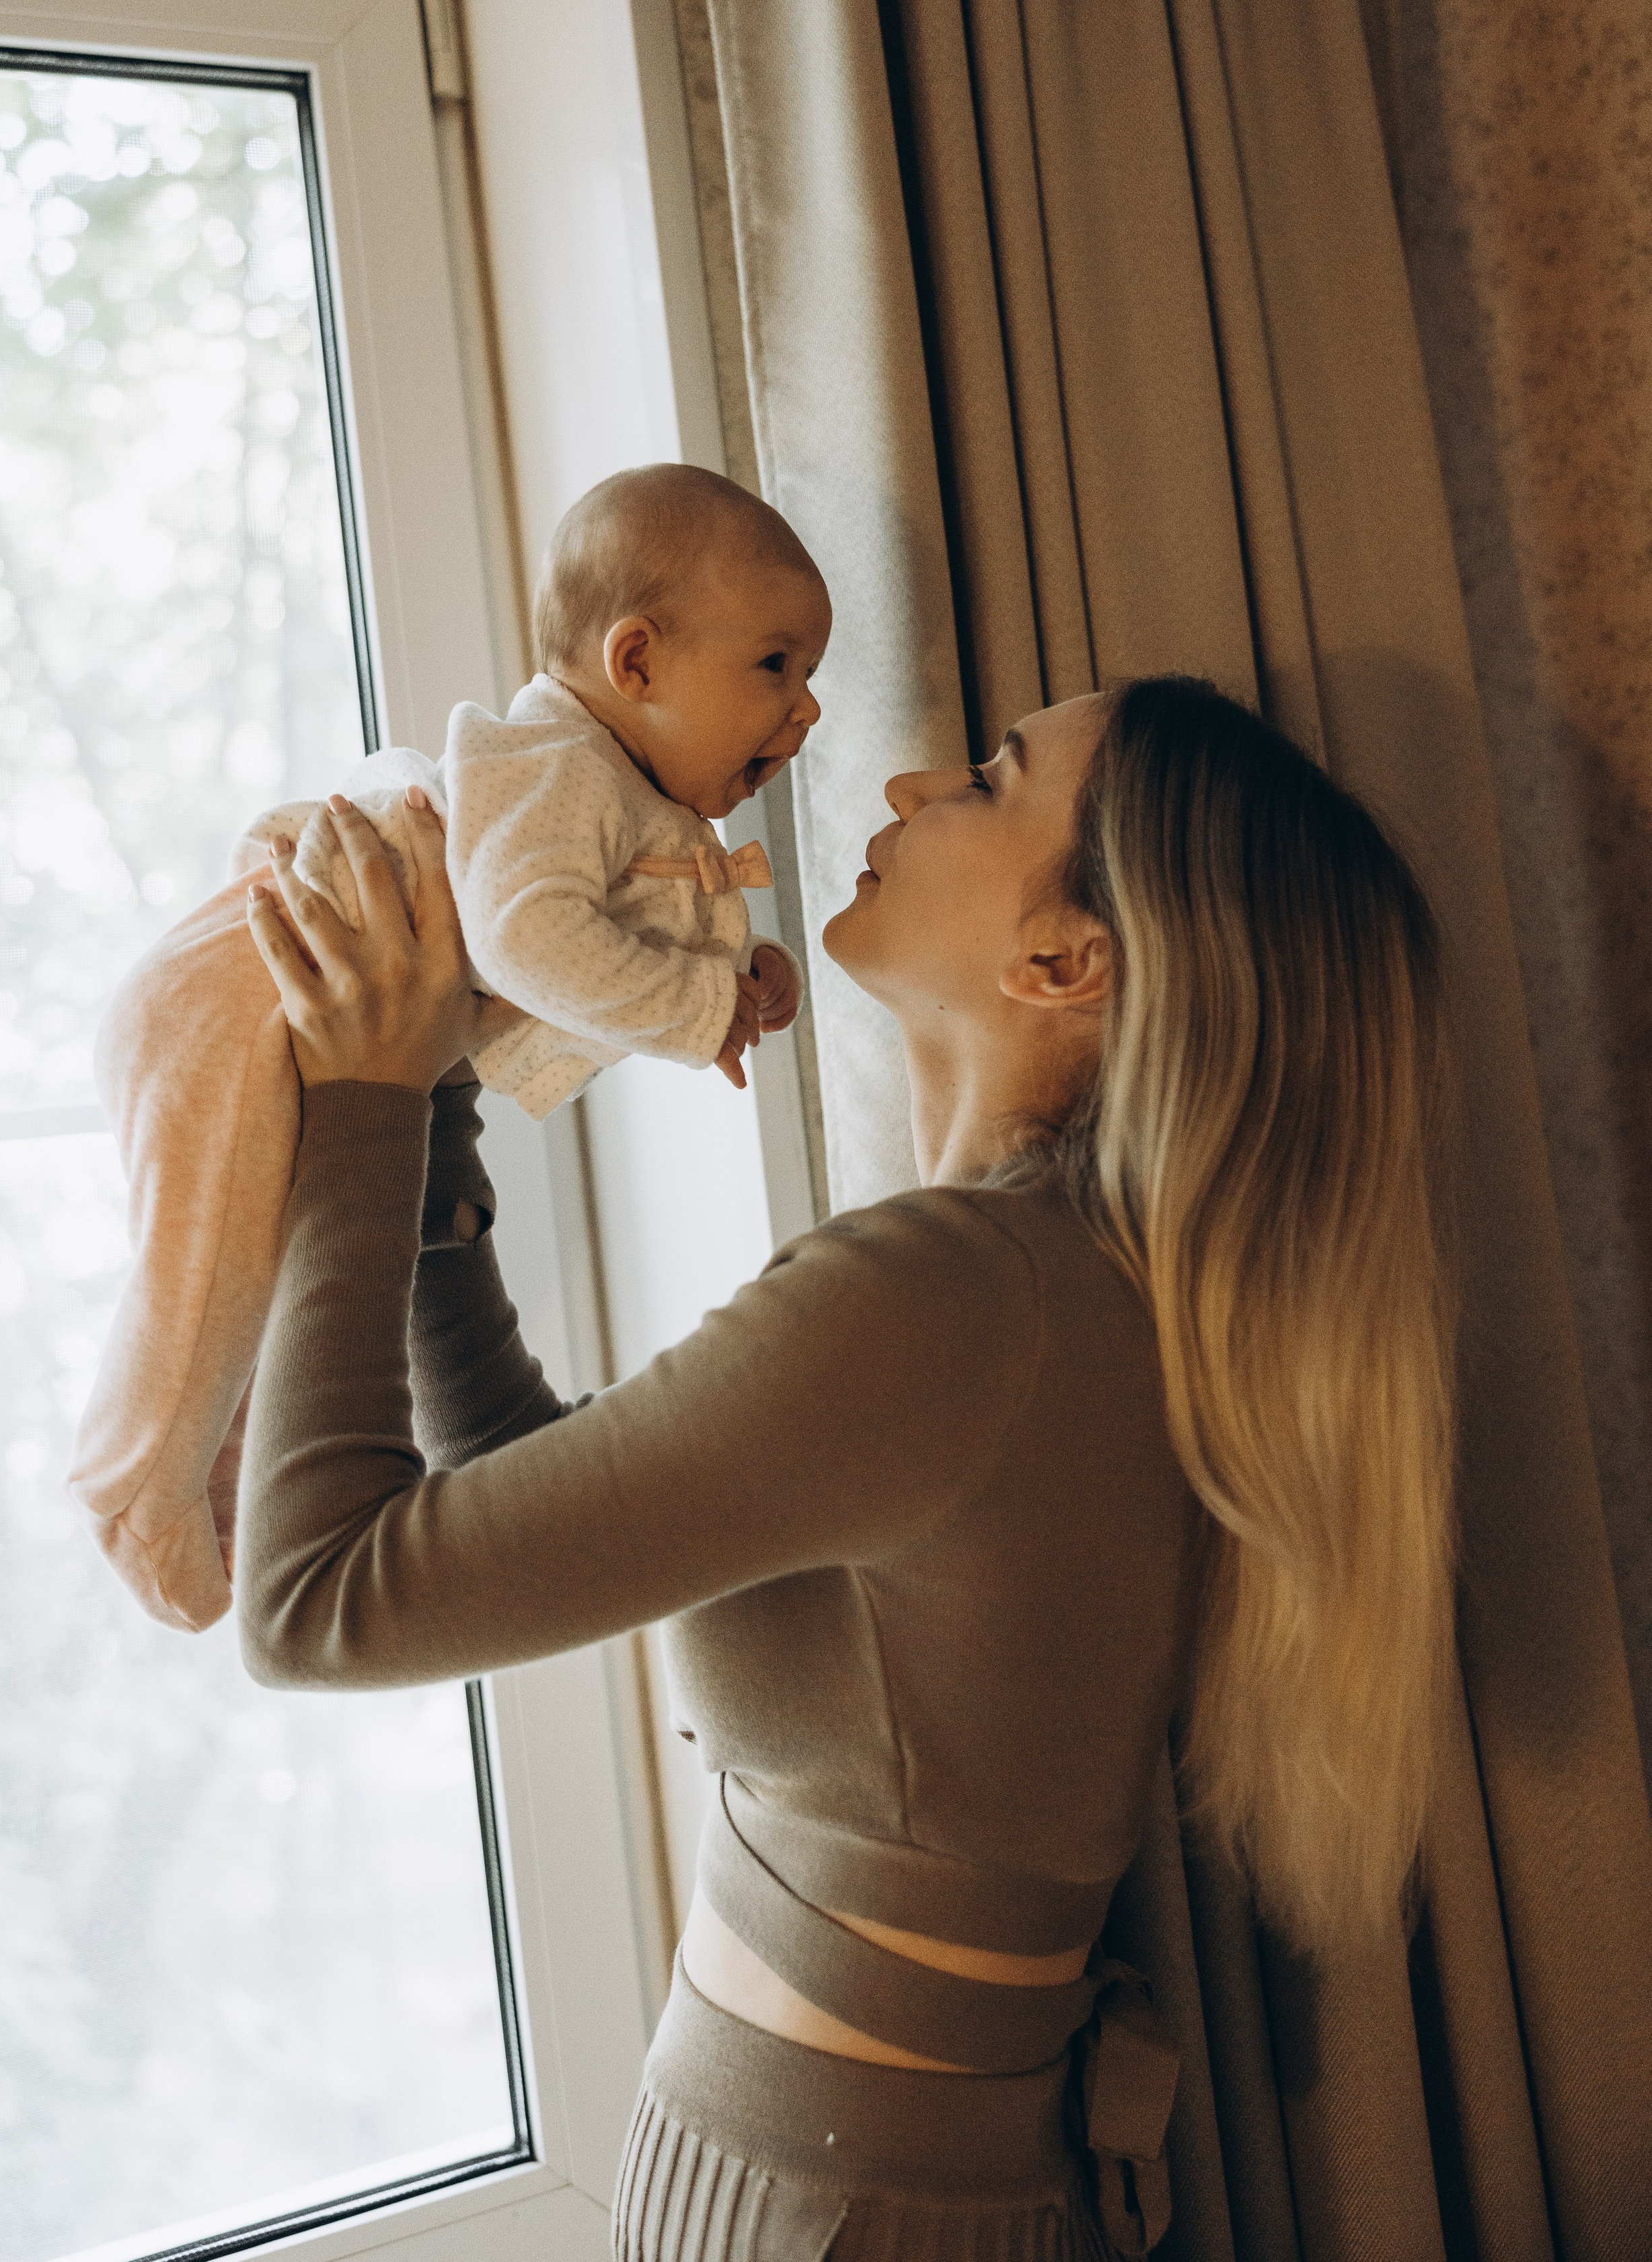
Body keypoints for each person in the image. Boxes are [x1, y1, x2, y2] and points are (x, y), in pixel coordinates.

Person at [237, 675, 1458, 2262]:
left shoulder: (955, 1300)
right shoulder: (1079, 1293)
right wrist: (435, 1107)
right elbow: (531, 1495)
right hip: (863, 2180)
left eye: (990, 779)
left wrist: (357, 1105)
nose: (902, 790)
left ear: (1063, 959)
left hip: (835, 2208)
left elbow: (316, 1601)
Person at [70, 464, 827, 1635]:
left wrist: (732, 980)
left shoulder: (621, 797)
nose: (807, 709)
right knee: (200, 1270)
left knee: (248, 1280)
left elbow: (578, 954)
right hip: (230, 989)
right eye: (776, 666)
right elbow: (529, 942)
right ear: (636, 665)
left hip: (279, 995)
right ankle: (130, 1489)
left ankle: (214, 1471)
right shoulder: (565, 770)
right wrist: (696, 1009)